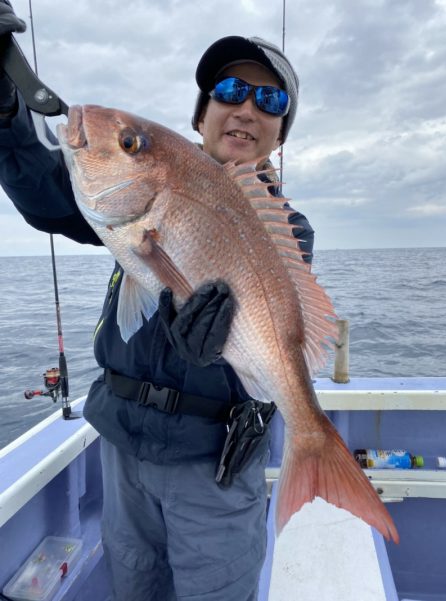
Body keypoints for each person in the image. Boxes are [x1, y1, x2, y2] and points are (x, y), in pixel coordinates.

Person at [0, 3, 314, 599]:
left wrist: (214, 353)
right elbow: (44, 192)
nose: (247, 108)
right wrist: (6, 108)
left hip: (213, 471)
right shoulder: (137, 197)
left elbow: (275, 346)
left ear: (279, 134)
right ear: (202, 116)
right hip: (123, 452)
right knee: (133, 587)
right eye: (229, 90)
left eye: (271, 102)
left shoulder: (289, 231)